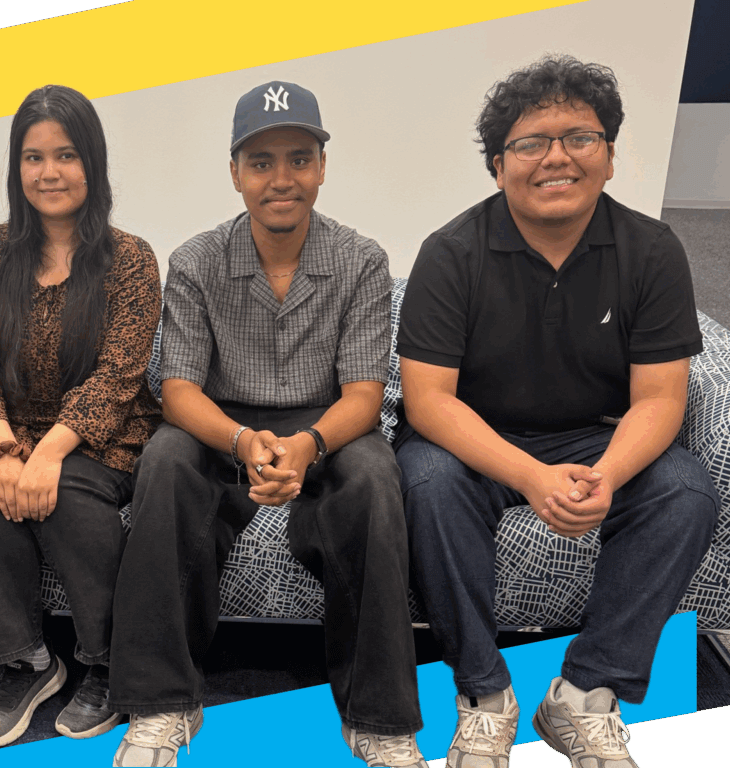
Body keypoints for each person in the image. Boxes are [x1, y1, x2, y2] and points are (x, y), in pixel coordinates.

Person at [395, 55, 719, 768]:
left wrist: (605, 473)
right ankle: (484, 697)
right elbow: (430, 402)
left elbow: (661, 398)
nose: (556, 158)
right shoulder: (451, 253)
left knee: (688, 490)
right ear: (497, 164)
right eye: (530, 142)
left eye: (580, 137)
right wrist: (533, 477)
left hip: (594, 434)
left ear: (608, 156)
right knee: (423, 482)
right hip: (475, 438)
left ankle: (581, 695)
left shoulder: (652, 251)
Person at [107, 81, 426, 768]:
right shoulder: (195, 261)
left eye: (299, 158)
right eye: (261, 162)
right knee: (162, 463)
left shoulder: (361, 259)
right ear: (234, 173)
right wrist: (244, 441)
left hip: (329, 423)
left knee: (375, 477)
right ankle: (164, 702)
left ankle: (379, 717)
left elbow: (365, 395)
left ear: (321, 165)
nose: (282, 179)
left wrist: (308, 446)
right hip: (222, 423)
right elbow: (180, 389)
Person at [0, 84, 162, 749]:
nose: (49, 172)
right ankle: (27, 663)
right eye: (33, 157)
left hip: (99, 438)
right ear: (17, 168)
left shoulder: (130, 258)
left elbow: (120, 376)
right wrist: (6, 447)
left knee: (63, 493)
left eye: (65, 155)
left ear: (91, 164)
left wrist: (48, 454)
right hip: (5, 428)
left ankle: (103, 661)